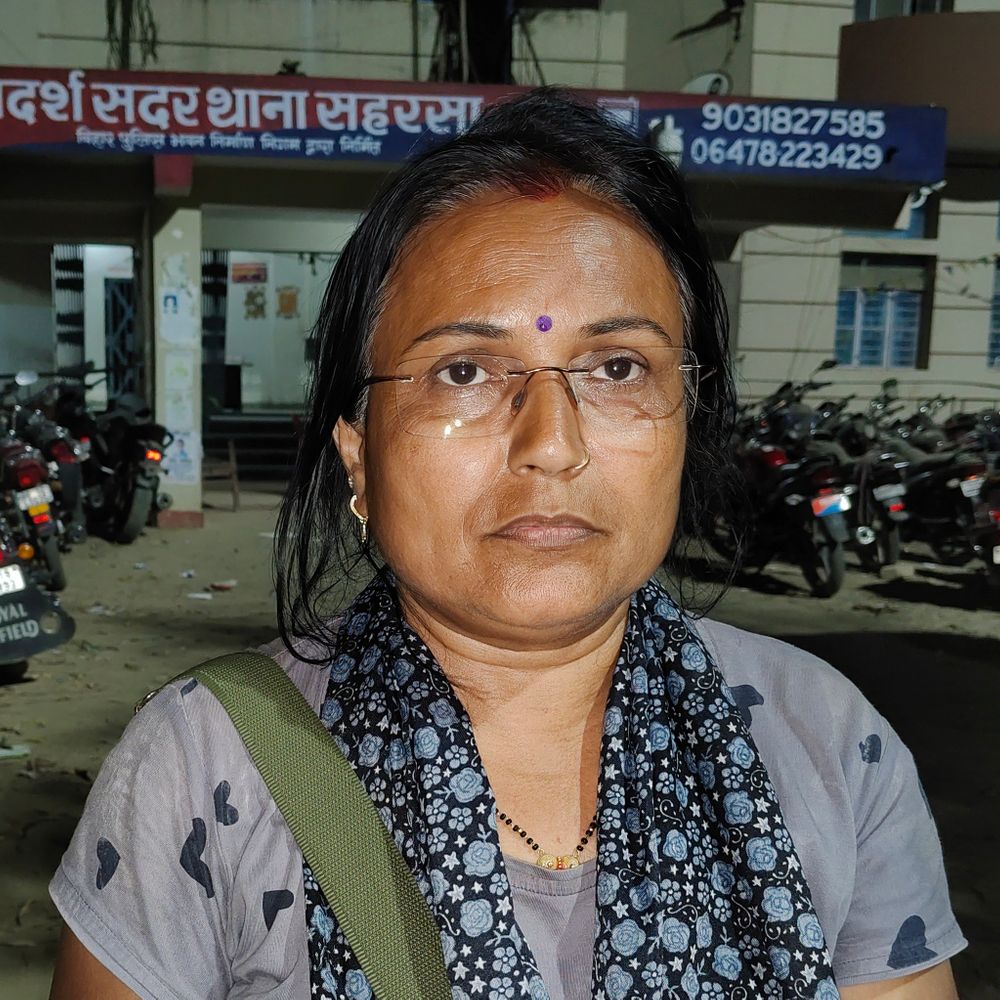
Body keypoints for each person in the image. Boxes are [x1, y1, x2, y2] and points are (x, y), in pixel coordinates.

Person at [48, 90, 964, 1000]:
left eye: (617, 368)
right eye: (465, 372)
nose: (552, 444)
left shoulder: (826, 742)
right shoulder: (204, 765)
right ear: (360, 455)